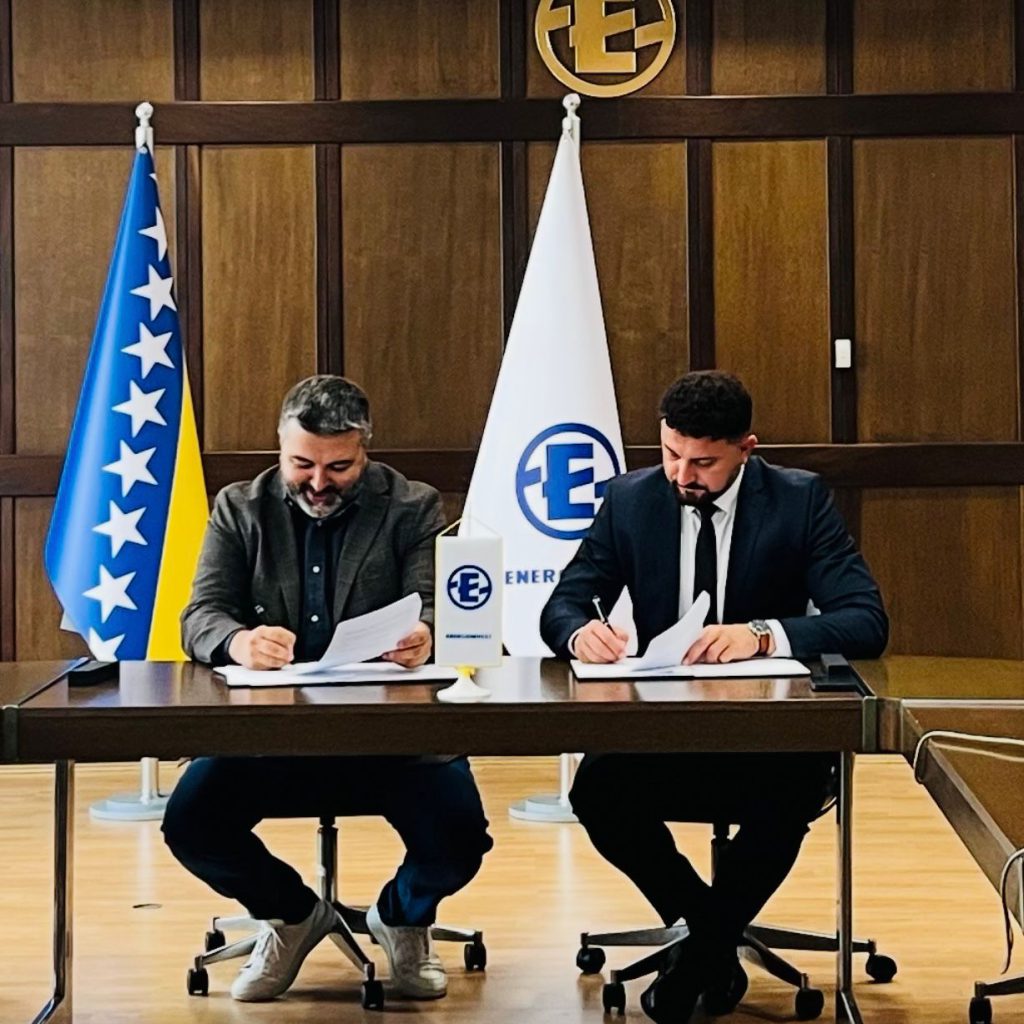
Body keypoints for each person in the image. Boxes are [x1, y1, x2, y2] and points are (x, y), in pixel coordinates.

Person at [541, 370, 887, 1023]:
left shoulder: (798, 500)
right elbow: (562, 604)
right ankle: (711, 939)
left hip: (769, 735)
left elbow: (866, 620)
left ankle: (698, 955)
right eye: (671, 453)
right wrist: (581, 631)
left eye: (703, 462)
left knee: (787, 794)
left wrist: (762, 634)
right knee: (598, 791)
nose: (682, 474)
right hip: (662, 729)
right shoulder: (630, 499)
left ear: (746, 449)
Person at [163, 375, 493, 1003]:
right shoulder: (240, 507)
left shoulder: (412, 505)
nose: (318, 482)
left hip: (392, 738)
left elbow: (437, 603)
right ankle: (290, 915)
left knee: (458, 837)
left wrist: (426, 633)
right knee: (191, 823)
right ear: (280, 448)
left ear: (365, 450)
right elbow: (201, 615)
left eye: (339, 467)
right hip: (269, 737)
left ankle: (401, 917)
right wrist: (238, 642)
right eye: (302, 465)